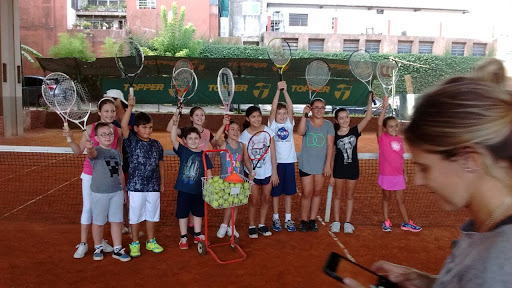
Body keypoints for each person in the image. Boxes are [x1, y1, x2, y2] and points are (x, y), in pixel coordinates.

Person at [344, 76, 512, 288]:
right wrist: (427, 282)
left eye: (425, 167)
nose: (419, 181)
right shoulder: (486, 230)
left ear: (469, 160)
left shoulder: (499, 261)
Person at [63, 98, 122, 258]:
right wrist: (70, 139)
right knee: (89, 208)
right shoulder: (89, 129)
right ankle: (83, 243)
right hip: (90, 174)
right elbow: (78, 151)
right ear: (99, 112)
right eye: (107, 111)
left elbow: (118, 155)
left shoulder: (117, 131)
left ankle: (100, 241)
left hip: (109, 177)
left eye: (113, 111)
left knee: (107, 212)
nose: (110, 114)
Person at [122, 95, 165, 258]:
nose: (148, 130)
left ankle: (151, 241)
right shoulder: (131, 141)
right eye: (144, 127)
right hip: (136, 187)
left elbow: (161, 164)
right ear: (136, 129)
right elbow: (124, 125)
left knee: (152, 215)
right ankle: (134, 243)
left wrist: (162, 182)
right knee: (135, 216)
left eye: (150, 127)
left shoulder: (157, 145)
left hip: (153, 186)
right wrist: (130, 108)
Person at [166, 106, 216, 235]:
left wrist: (209, 187)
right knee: (183, 213)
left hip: (199, 190)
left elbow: (209, 172)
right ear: (185, 141)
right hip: (183, 189)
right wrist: (175, 121)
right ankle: (183, 237)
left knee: (198, 212)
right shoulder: (183, 151)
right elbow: (172, 137)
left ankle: (197, 234)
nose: (193, 141)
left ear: (199, 139)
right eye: (190, 139)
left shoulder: (204, 154)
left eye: (195, 138)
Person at [85, 122, 130, 262]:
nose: (107, 136)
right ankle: (98, 247)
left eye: (110, 134)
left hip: (116, 192)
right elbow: (91, 154)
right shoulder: (96, 152)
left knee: (117, 221)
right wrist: (89, 148)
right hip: (99, 194)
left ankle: (117, 249)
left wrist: (123, 191)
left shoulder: (116, 153)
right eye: (103, 134)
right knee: (98, 222)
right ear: (96, 138)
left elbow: (120, 173)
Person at [329, 92, 374, 234]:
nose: (344, 120)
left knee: (349, 196)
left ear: (349, 118)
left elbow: (368, 117)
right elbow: (331, 155)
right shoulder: (334, 135)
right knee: (337, 196)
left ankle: (348, 222)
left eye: (346, 117)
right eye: (341, 118)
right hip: (338, 169)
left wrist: (369, 100)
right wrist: (330, 174)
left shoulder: (355, 131)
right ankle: (336, 221)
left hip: (353, 169)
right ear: (337, 120)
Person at [377, 97, 421, 232]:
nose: (394, 128)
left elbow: (400, 158)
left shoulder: (400, 140)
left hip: (398, 175)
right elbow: (378, 124)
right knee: (386, 198)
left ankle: (406, 223)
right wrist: (384, 108)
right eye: (391, 126)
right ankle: (386, 221)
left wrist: (405, 173)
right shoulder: (383, 139)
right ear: (385, 128)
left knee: (401, 200)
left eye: (396, 126)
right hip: (386, 174)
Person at [240, 106, 279, 238]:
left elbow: (273, 153)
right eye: (253, 117)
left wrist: (274, 172)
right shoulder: (244, 135)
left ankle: (261, 224)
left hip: (267, 172)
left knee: (266, 199)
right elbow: (245, 157)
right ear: (248, 119)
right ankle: (252, 226)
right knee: (254, 200)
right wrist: (250, 171)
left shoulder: (268, 132)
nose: (256, 119)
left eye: (258, 116)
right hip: (252, 174)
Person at [104, 89, 138, 236]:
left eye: (112, 99)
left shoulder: (134, 118)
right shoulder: (108, 120)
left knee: (130, 196)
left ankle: (132, 227)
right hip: (114, 163)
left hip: (132, 163)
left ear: (119, 100)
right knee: (119, 196)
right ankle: (122, 225)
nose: (110, 101)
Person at [297, 98, 334, 232]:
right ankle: (303, 220)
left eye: (322, 107)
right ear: (311, 108)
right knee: (307, 193)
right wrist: (303, 115)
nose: (319, 110)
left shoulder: (329, 125)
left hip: (321, 165)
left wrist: (328, 165)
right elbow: (300, 132)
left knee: (317, 192)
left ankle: (312, 220)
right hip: (306, 164)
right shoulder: (306, 122)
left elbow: (330, 146)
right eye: (316, 107)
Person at [268, 81, 298, 232]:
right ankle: (275, 218)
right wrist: (278, 90)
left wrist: (285, 91)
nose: (282, 115)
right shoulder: (272, 125)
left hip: (289, 163)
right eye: (279, 113)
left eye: (284, 113)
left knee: (288, 192)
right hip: (276, 164)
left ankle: (288, 218)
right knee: (276, 192)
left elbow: (291, 107)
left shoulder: (289, 123)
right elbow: (273, 107)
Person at [214, 116, 246, 238]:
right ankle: (224, 224)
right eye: (232, 129)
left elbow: (244, 161)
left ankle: (231, 226)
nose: (235, 132)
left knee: (235, 203)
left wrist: (251, 173)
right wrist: (223, 125)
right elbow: (216, 138)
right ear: (227, 131)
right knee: (229, 203)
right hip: (226, 181)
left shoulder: (241, 146)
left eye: (238, 129)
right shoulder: (223, 144)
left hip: (239, 179)